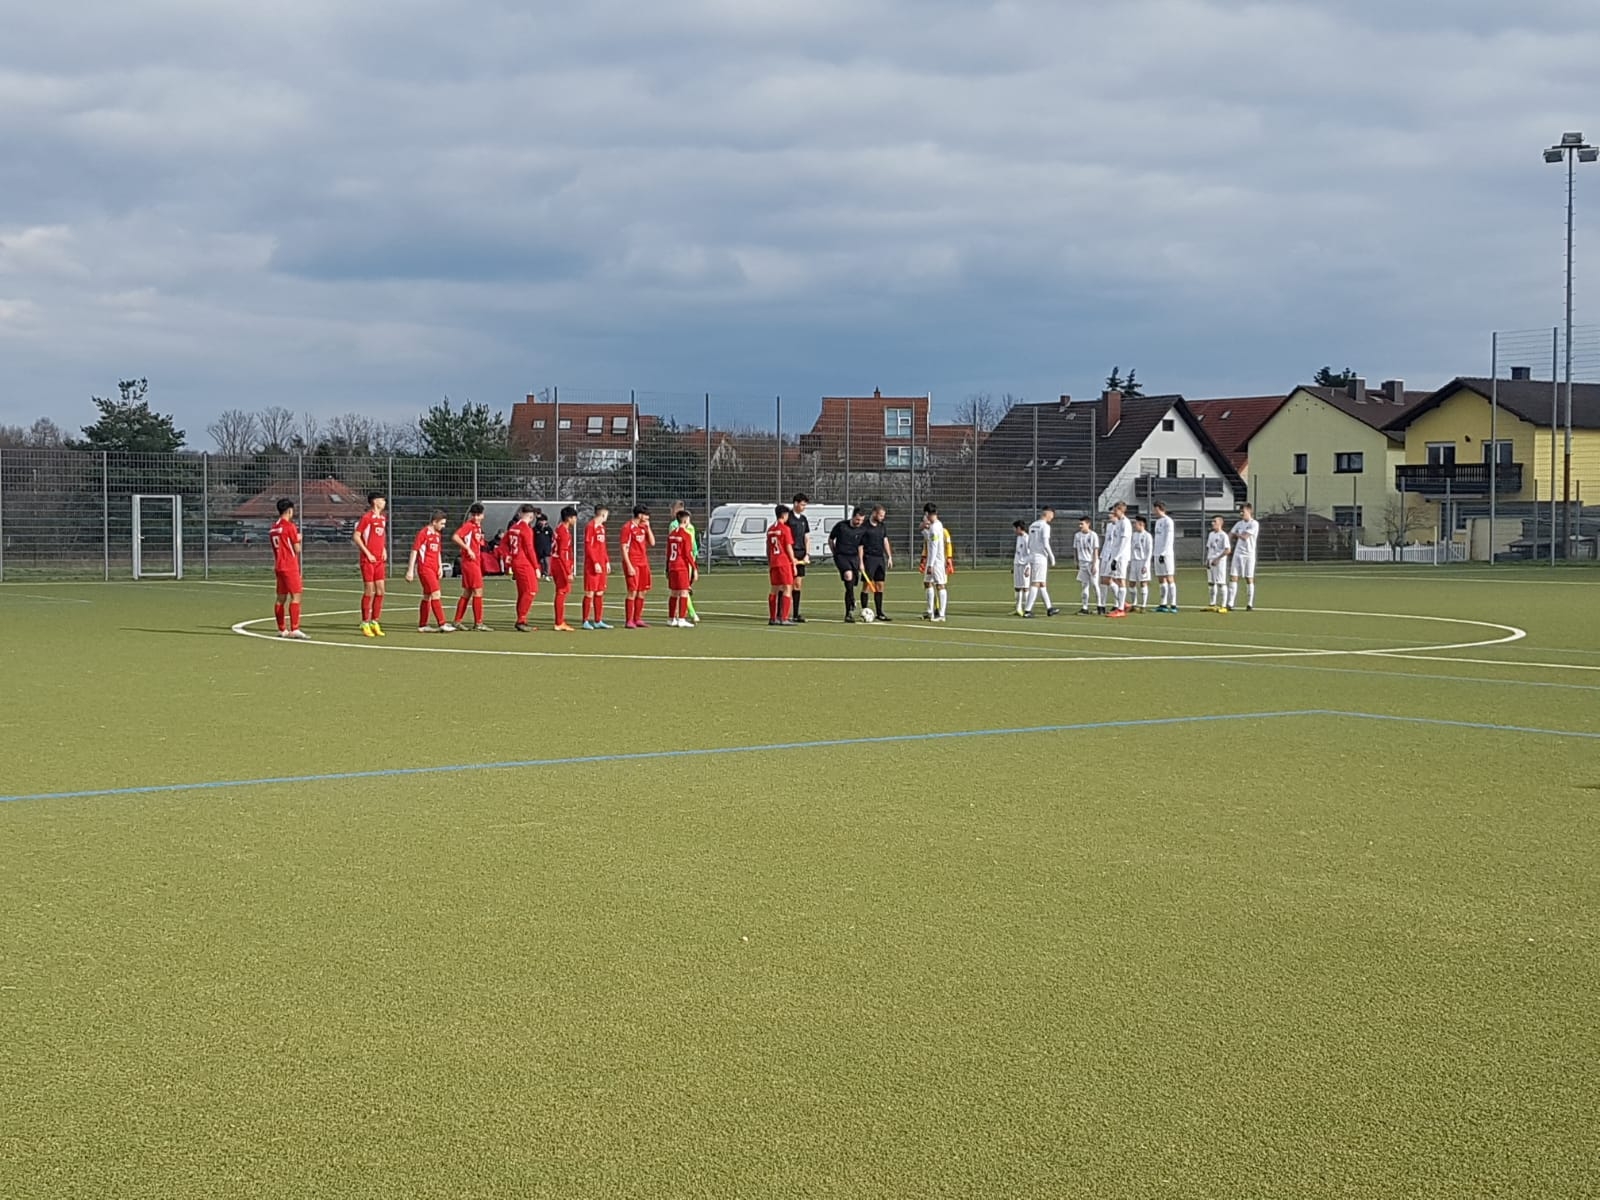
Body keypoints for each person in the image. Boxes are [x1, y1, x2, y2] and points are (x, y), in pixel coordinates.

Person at [405, 509, 454, 632]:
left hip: (434, 568)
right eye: (442, 523)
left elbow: (438, 552)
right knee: (436, 593)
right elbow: (414, 551)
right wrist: (410, 570)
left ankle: (423, 625)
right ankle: (442, 623)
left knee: (427, 595)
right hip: (425, 568)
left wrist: (440, 566)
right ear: (434, 522)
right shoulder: (423, 533)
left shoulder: (437, 535)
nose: (443, 526)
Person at [269, 498, 308, 639]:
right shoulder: (290, 526)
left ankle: (281, 629)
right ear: (289, 510)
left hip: (279, 565)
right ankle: (295, 628)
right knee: (296, 596)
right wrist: (298, 539)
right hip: (290, 565)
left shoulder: (273, 528)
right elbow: (297, 549)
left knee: (280, 598)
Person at [353, 491, 388, 637]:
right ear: (375, 501)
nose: (384, 502)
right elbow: (356, 536)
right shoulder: (367, 518)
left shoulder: (383, 518)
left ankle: (375, 621)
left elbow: (380, 536)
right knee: (369, 590)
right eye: (382, 500)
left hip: (379, 560)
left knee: (381, 591)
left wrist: (384, 549)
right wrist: (367, 553)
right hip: (368, 560)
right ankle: (365, 622)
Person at [452, 503, 491, 630]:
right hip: (470, 562)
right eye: (474, 515)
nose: (476, 517)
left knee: (468, 591)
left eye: (478, 515)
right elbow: (456, 537)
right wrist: (468, 549)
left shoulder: (477, 527)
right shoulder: (469, 526)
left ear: (482, 516)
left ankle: (457, 621)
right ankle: (478, 623)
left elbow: (476, 542)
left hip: (475, 562)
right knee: (478, 590)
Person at [504, 505, 541, 632]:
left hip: (516, 562)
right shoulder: (526, 529)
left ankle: (521, 619)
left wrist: (507, 555)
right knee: (531, 590)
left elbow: (503, 544)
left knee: (523, 592)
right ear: (532, 516)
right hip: (524, 563)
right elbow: (530, 549)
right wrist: (536, 567)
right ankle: (521, 620)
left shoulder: (513, 527)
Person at [828, 507, 868, 622]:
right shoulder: (841, 526)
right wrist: (835, 553)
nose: (859, 522)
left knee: (850, 584)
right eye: (857, 520)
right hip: (841, 556)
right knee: (848, 575)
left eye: (861, 520)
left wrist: (861, 563)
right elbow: (831, 539)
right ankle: (852, 598)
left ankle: (848, 613)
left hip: (854, 558)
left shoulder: (862, 530)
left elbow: (860, 546)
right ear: (853, 516)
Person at [620, 505, 655, 629]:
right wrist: (629, 565)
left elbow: (652, 543)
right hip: (633, 562)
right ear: (639, 515)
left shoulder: (643, 527)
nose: (648, 517)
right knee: (632, 591)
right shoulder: (627, 527)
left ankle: (637, 618)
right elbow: (624, 548)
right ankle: (629, 620)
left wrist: (648, 528)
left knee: (642, 591)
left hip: (643, 563)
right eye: (646, 515)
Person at [859, 504, 894, 621]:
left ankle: (880, 613)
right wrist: (861, 561)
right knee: (867, 585)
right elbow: (860, 546)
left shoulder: (882, 526)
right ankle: (864, 611)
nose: (882, 518)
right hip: (868, 558)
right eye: (880, 515)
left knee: (880, 585)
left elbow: (885, 540)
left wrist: (889, 556)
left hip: (880, 558)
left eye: (883, 516)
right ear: (874, 513)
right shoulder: (864, 526)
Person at [766, 502, 798, 624]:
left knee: (774, 589)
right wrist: (793, 562)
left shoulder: (770, 530)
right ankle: (784, 618)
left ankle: (772, 618)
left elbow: (768, 548)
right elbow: (788, 547)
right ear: (784, 515)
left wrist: (770, 561)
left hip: (774, 562)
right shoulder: (785, 529)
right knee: (787, 588)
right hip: (784, 562)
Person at [1023, 507, 1058, 617]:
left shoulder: (1032, 525)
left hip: (1033, 555)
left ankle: (1049, 608)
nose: (1052, 517)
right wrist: (1052, 557)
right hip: (1040, 557)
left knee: (1042, 584)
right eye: (1052, 515)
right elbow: (1046, 543)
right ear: (1048, 513)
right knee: (1036, 583)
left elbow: (1029, 544)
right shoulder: (1045, 526)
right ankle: (1027, 610)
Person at [920, 503, 952, 622]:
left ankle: (942, 614)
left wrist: (930, 565)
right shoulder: (938, 525)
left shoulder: (934, 528)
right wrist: (923, 529)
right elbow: (930, 540)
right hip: (933, 560)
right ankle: (930, 612)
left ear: (927, 514)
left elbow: (933, 547)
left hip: (936, 561)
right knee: (927, 583)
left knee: (940, 585)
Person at [1100, 501, 1133, 618]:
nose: (1113, 512)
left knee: (1120, 580)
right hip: (1114, 555)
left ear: (1120, 510)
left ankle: (1120, 609)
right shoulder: (1118, 523)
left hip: (1121, 556)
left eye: (1115, 510)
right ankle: (1123, 604)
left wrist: (1117, 557)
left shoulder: (1125, 523)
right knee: (1108, 578)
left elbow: (1124, 542)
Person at [582, 506, 613, 629]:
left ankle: (598, 620)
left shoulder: (602, 528)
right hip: (592, 565)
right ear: (603, 515)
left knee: (600, 592)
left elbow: (603, 546)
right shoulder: (591, 526)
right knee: (590, 592)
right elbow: (588, 546)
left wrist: (606, 561)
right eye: (607, 515)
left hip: (602, 563)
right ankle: (585, 621)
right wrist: (595, 562)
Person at [666, 508, 697, 628]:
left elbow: (668, 553)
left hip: (672, 565)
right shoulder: (686, 535)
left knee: (674, 592)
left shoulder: (672, 534)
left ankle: (671, 618)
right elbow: (687, 554)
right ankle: (682, 619)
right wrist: (694, 568)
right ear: (685, 520)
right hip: (681, 566)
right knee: (684, 591)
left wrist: (667, 568)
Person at [550, 506, 578, 631]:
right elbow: (563, 553)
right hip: (560, 563)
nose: (575, 520)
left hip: (555, 561)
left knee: (562, 591)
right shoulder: (564, 532)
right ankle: (559, 622)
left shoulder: (559, 528)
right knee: (562, 591)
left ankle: (560, 620)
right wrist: (568, 571)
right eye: (574, 517)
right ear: (569, 518)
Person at [1229, 502, 1259, 612]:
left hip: (1249, 554)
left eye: (1243, 511)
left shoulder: (1254, 524)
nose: (1241, 513)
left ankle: (1249, 604)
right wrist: (1227, 542)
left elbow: (1245, 537)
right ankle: (1230, 603)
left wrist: (1236, 534)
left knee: (1248, 578)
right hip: (1238, 553)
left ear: (1249, 511)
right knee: (1233, 577)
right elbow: (1230, 534)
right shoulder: (1239, 524)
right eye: (1240, 511)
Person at [1151, 500, 1179, 613]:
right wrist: (1155, 553)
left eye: (1154, 509)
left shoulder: (1168, 521)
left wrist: (1163, 552)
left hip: (1166, 554)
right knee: (1161, 578)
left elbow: (1169, 539)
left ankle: (1173, 604)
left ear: (1159, 508)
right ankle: (1163, 604)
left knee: (1169, 578)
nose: (1153, 511)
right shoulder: (1158, 522)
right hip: (1157, 553)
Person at [1072, 516, 1101, 615]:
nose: (1080, 526)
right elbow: (1075, 549)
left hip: (1091, 562)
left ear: (1088, 524)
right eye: (1079, 524)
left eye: (1082, 524)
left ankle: (1100, 606)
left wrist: (1094, 564)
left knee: (1095, 584)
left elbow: (1095, 550)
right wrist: (1076, 561)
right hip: (1082, 563)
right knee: (1084, 585)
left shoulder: (1093, 535)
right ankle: (1085, 607)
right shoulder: (1077, 535)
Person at [1205, 515, 1232, 612]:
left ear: (1220, 523)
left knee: (1221, 583)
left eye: (1215, 521)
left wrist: (1218, 559)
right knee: (1211, 582)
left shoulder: (1223, 535)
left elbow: (1228, 550)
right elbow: (1209, 548)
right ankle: (1212, 604)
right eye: (1212, 521)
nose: (1212, 523)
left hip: (1219, 562)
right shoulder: (1211, 534)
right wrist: (1207, 559)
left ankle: (1223, 606)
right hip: (1211, 560)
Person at [1128, 516, 1154, 612]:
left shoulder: (1147, 536)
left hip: (1142, 561)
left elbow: (1149, 551)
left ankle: (1143, 605)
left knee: (1143, 583)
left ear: (1141, 524)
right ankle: (1134, 604)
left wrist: (1146, 564)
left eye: (1136, 523)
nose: (1134, 525)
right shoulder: (1134, 535)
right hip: (1134, 561)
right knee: (1131, 583)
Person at [1011, 519, 1031, 616]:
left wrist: (1028, 567)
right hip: (1017, 564)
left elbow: (1030, 554)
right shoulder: (1018, 538)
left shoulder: (1027, 539)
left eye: (1014, 528)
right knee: (1017, 587)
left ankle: (1027, 609)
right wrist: (1014, 565)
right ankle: (1018, 608)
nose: (1014, 530)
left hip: (1024, 566)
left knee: (1025, 588)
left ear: (1019, 528)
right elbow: (1018, 552)